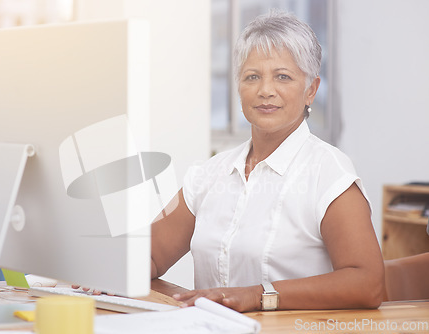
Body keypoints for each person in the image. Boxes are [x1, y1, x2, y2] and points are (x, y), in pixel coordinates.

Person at [151, 10, 384, 313]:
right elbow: (150, 256)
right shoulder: (208, 174)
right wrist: (107, 274)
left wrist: (259, 295)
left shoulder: (329, 172)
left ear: (310, 90)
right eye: (252, 77)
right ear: (239, 87)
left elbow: (368, 284)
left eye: (282, 76)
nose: (265, 90)